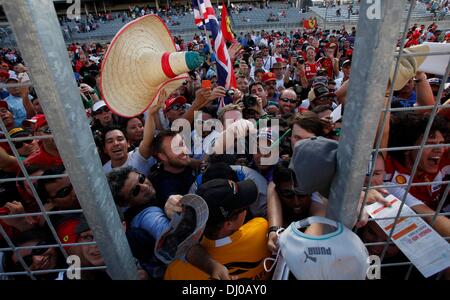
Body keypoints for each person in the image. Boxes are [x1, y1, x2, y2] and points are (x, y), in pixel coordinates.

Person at [164, 179, 271, 280]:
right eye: (244, 207)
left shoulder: (175, 270)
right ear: (228, 224)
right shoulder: (262, 229)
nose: (246, 210)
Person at [386, 112, 449, 211]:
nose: (440, 149)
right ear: (407, 148)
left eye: (441, 143)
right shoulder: (386, 169)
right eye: (429, 144)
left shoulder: (445, 157)